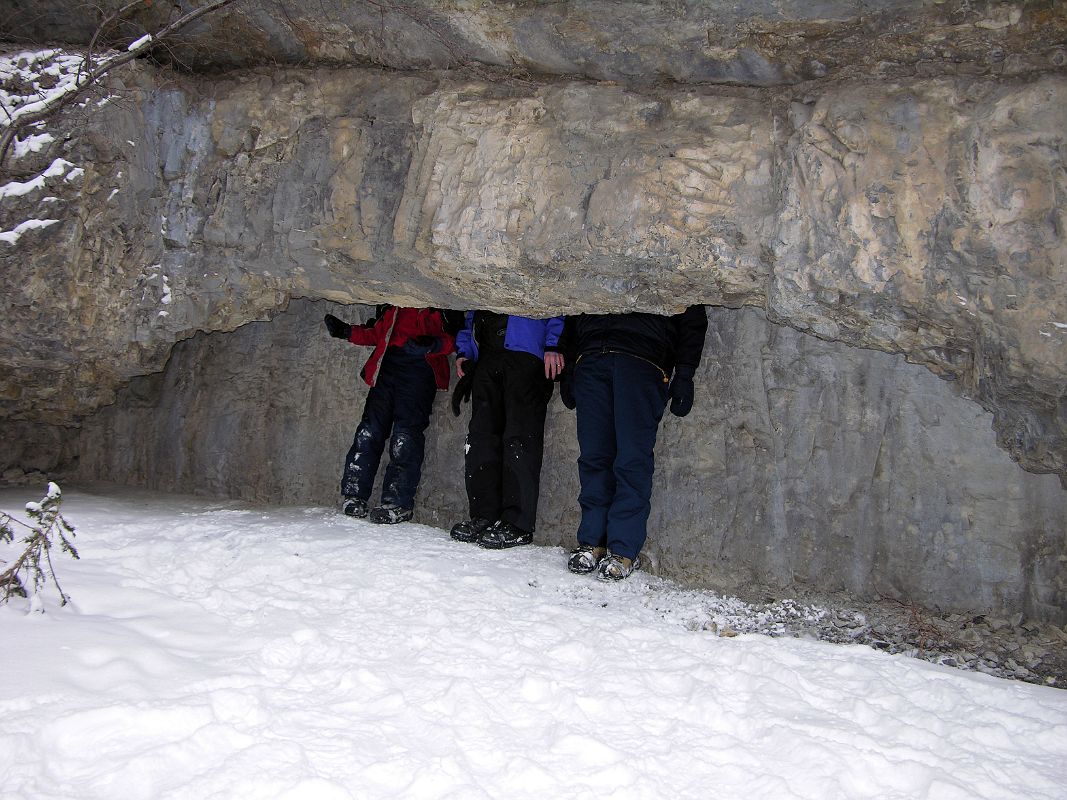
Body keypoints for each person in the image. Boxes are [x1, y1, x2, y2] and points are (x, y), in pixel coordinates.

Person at [558, 306, 708, 580]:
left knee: (631, 459)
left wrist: (685, 373)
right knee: (593, 456)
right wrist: (569, 366)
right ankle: (593, 541)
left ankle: (623, 549)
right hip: (591, 356)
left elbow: (692, 315)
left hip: (643, 359)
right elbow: (575, 309)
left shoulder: (672, 262)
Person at [324, 305, 459, 524]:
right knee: (369, 431)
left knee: (405, 437)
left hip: (420, 368)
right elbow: (378, 334)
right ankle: (354, 495)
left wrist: (433, 344)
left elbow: (455, 339)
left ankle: (397, 502)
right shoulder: (393, 305)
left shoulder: (441, 307)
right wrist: (347, 332)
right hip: (388, 365)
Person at [449, 311, 565, 549]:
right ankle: (484, 515)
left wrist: (554, 343)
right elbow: (471, 309)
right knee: (481, 439)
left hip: (527, 354)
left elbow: (558, 304)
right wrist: (466, 349)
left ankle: (517, 523)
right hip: (488, 356)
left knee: (520, 439)